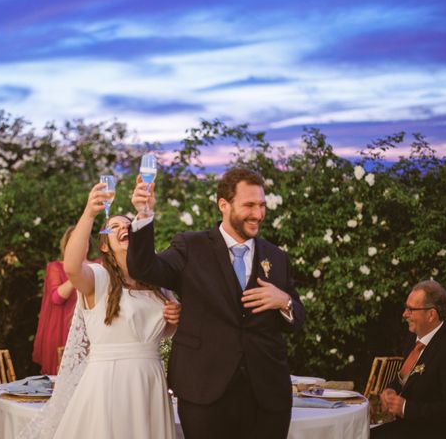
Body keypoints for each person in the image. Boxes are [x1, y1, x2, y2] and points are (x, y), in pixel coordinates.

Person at [127, 167, 305, 439]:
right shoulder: (190, 246)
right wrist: (143, 216)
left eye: (261, 205)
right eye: (249, 205)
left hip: (267, 396)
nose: (258, 214)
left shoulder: (277, 257)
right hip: (204, 392)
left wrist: (284, 302)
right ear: (224, 204)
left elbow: (297, 321)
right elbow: (145, 269)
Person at [23, 182, 181, 439]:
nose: (123, 228)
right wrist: (89, 213)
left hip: (150, 383)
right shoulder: (97, 278)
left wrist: (174, 319)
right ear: (105, 246)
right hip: (109, 383)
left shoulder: (157, 283)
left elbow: (164, 331)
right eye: (114, 227)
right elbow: (72, 267)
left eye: (128, 225)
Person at [371, 280, 446, 439]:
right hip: (405, 427)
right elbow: (404, 379)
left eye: (411, 309)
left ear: (431, 314)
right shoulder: (413, 338)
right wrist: (390, 390)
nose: (404, 314)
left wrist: (406, 408)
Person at [32, 226, 82, 375]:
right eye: (73, 240)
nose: (78, 243)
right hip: (61, 329)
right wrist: (77, 271)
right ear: (66, 245)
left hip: (88, 328)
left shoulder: (97, 265)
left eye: (81, 239)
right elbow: (57, 298)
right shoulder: (56, 267)